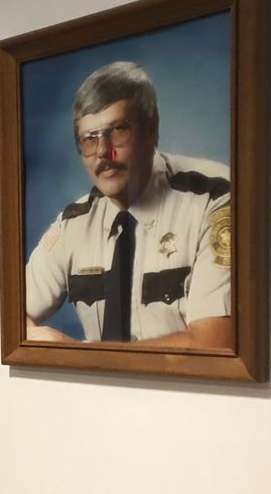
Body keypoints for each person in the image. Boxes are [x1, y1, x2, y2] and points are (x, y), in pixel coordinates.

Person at [25, 61, 233, 348]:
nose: (103, 151)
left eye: (118, 130)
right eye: (90, 138)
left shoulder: (213, 199)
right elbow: (5, 316)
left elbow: (214, 343)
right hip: (93, 393)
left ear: (151, 129)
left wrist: (77, 355)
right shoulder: (74, 223)